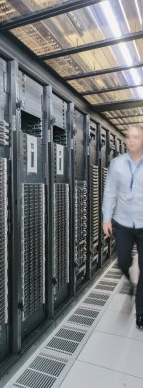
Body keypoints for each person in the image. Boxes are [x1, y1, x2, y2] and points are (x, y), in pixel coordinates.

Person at [102, 126, 143, 329]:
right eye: (129, 137)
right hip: (123, 223)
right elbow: (110, 191)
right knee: (123, 262)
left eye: (136, 137)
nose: (131, 140)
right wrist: (106, 218)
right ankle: (130, 282)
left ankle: (141, 312)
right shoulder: (117, 164)